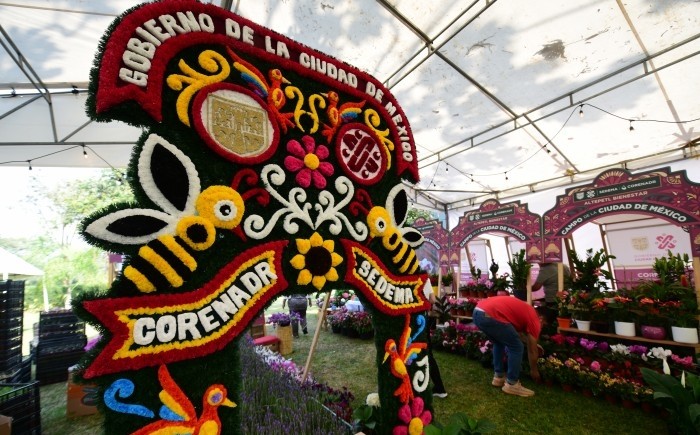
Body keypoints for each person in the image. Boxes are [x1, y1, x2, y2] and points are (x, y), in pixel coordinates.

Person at [472, 296, 543, 397]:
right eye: (544, 325)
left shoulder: (526, 311)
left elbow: (516, 335)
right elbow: (532, 350)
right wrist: (534, 370)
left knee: (498, 342)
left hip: (478, 312)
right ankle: (512, 384)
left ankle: (499, 377)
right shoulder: (534, 318)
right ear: (541, 319)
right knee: (517, 347)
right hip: (490, 314)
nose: (541, 328)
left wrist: (531, 343)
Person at [426, 291, 447, 398]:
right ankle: (439, 387)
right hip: (423, 318)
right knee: (428, 355)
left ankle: (439, 388)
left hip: (414, 320)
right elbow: (433, 299)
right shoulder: (426, 282)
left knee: (426, 355)